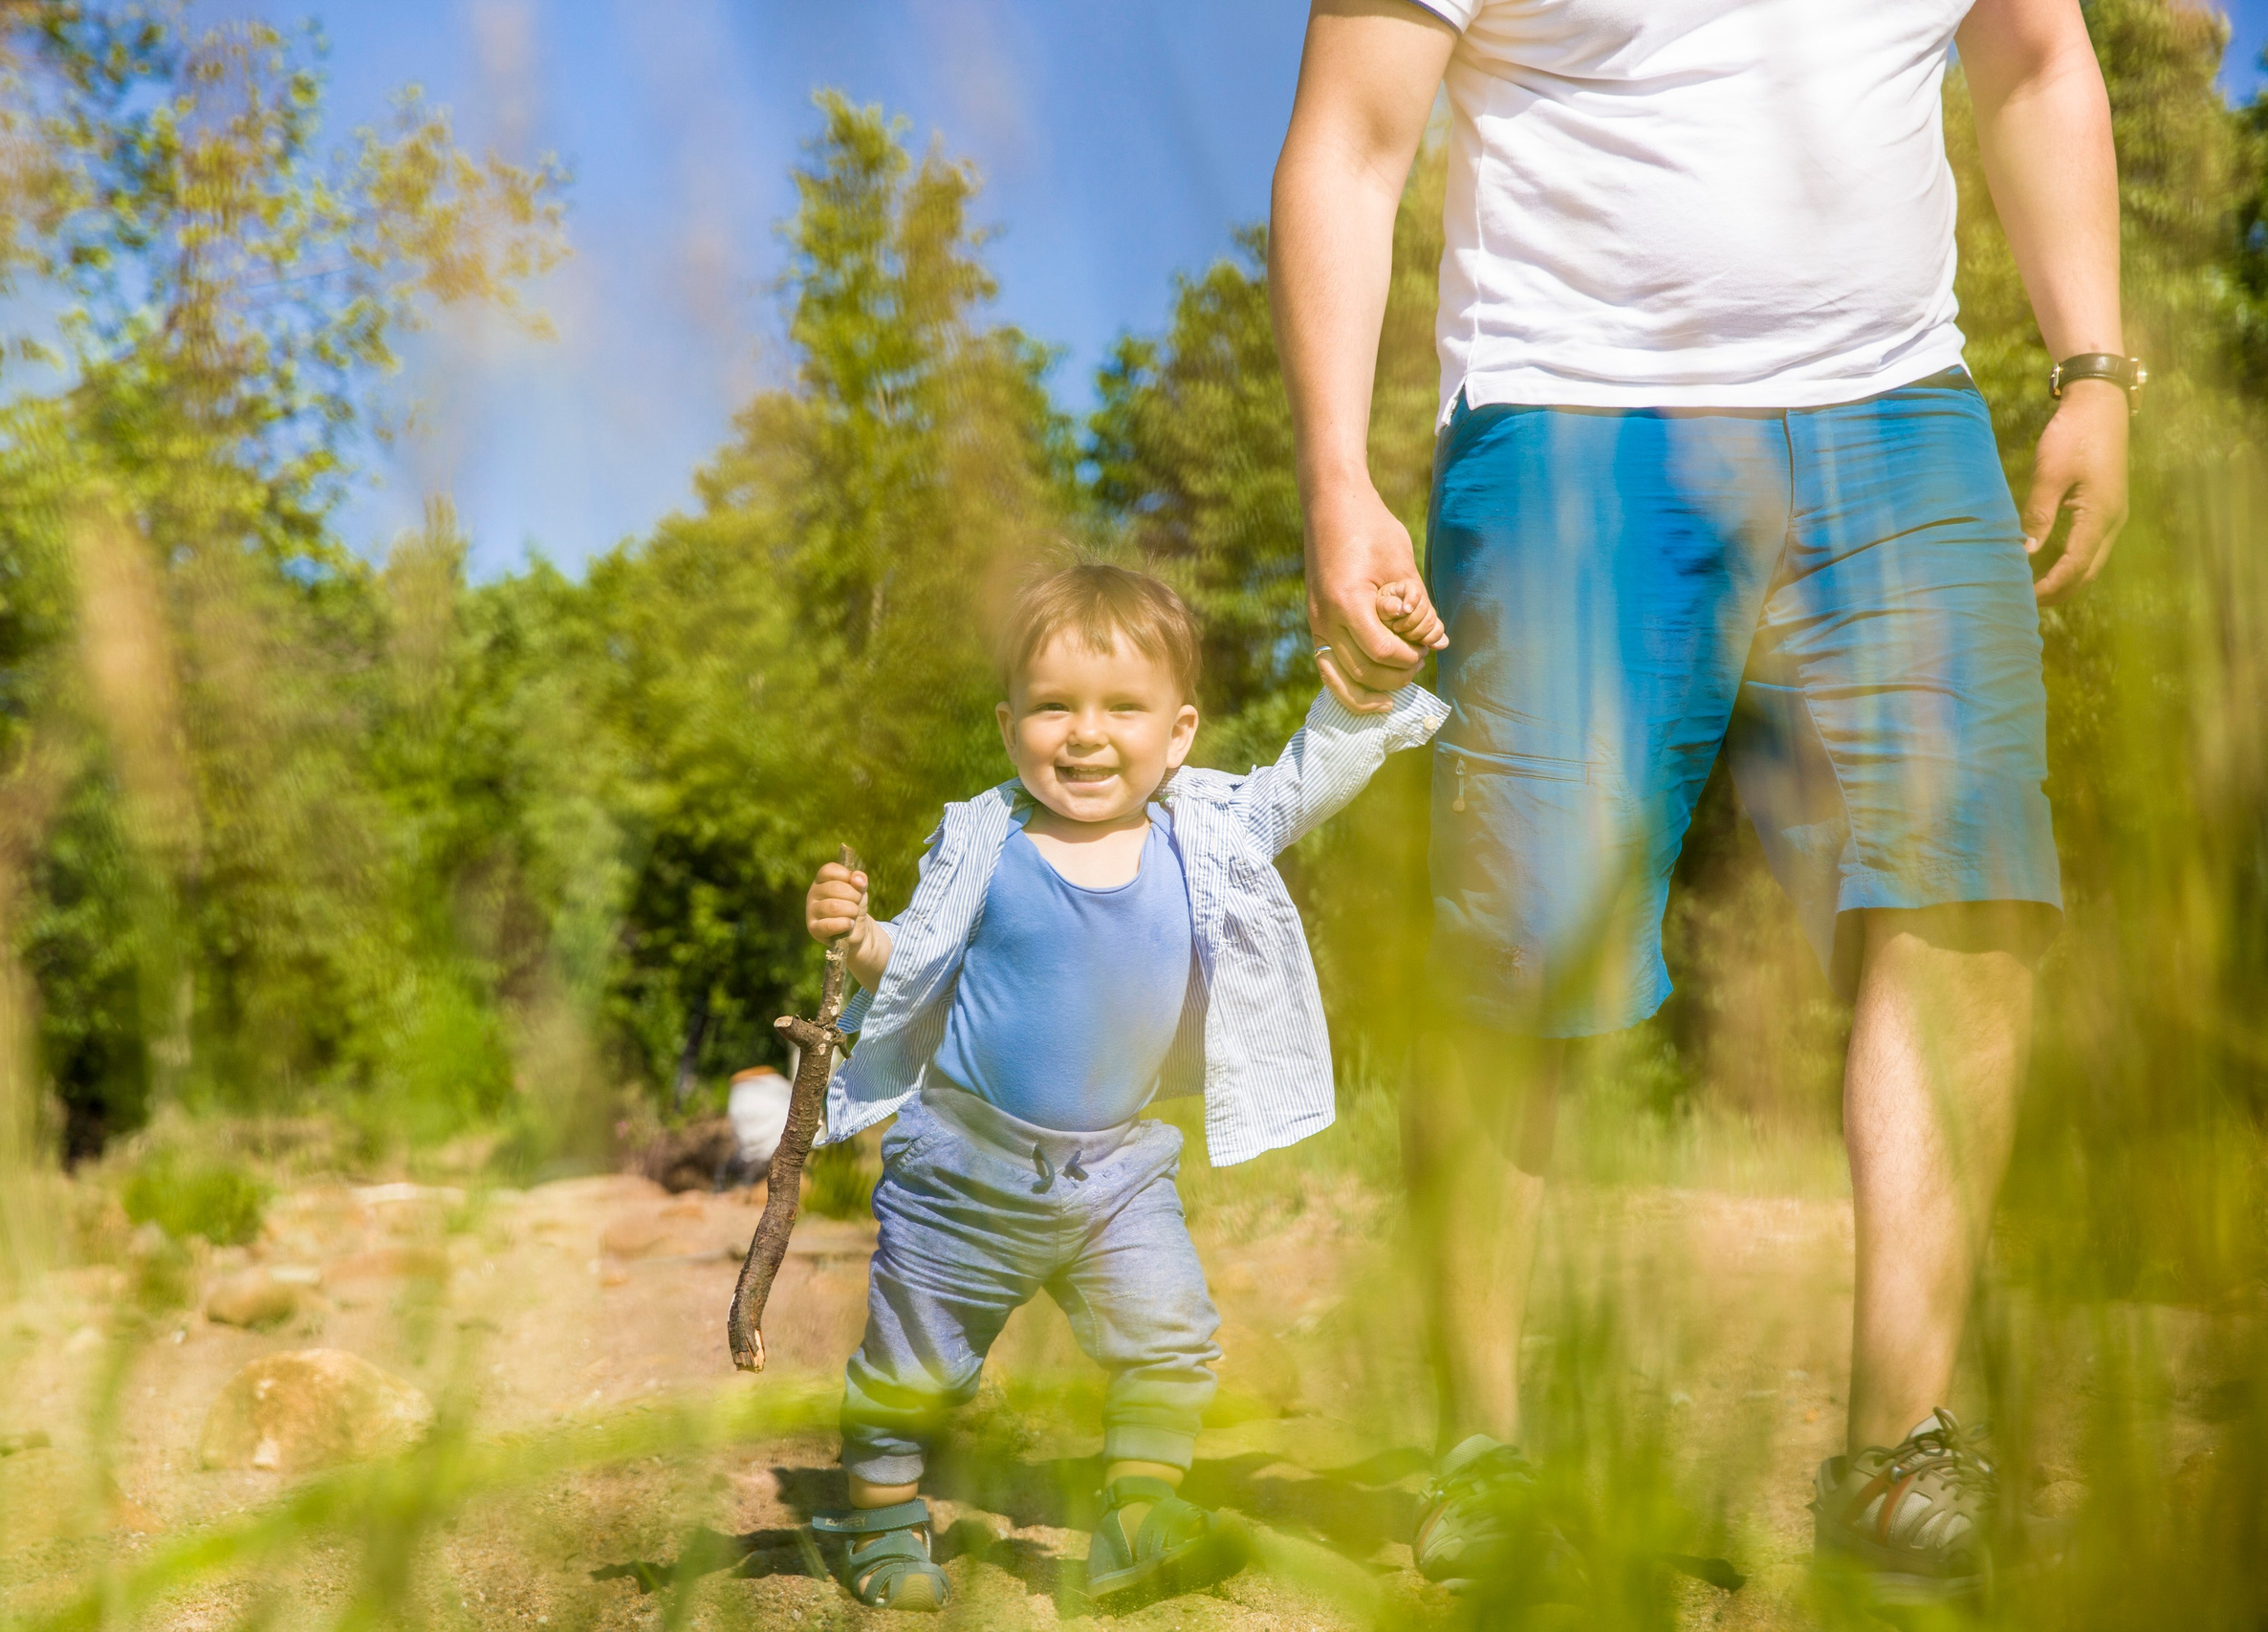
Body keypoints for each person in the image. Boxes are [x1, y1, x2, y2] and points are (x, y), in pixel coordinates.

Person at [1269, 0, 2130, 1605]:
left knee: (1962, 890)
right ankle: (1491, 1454)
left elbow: (2033, 51)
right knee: (1524, 945)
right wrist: (1335, 465)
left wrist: (2091, 360)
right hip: (1573, 423)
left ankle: (1898, 1454)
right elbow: (1352, 134)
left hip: (1900, 416)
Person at [798, 562, 1448, 1609]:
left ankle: (1134, 1517)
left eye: (1121, 709)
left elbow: (1303, 778)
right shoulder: (989, 842)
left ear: (1178, 733)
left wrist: (1365, 688)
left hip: (1116, 1175)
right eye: (1053, 707)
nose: (1085, 734)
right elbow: (911, 957)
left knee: (1171, 1338)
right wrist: (854, 932)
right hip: (965, 1168)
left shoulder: (1204, 836)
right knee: (912, 1363)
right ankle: (883, 1520)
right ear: (1011, 726)